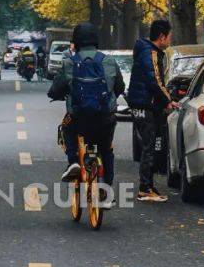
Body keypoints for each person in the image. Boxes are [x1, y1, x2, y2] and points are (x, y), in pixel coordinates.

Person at [48, 21, 125, 187]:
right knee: (106, 150)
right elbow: (120, 86)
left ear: (76, 41)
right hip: (105, 118)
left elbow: (55, 89)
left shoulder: (69, 62)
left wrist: (56, 95)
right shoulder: (109, 61)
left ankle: (74, 161)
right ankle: (107, 188)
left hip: (79, 118)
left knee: (65, 127)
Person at [127, 17, 176, 202]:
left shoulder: (145, 50)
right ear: (162, 37)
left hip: (142, 104)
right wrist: (168, 100)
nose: (170, 40)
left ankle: (148, 186)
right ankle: (145, 188)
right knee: (149, 147)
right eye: (169, 37)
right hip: (144, 105)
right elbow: (155, 81)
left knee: (149, 146)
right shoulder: (151, 54)